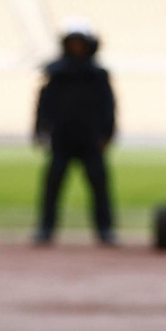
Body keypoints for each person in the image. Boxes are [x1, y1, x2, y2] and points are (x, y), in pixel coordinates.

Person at [33, 18, 117, 246]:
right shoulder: (56, 73)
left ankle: (105, 230)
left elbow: (109, 106)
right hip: (62, 139)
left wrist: (107, 133)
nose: (77, 47)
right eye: (73, 43)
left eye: (81, 43)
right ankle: (45, 229)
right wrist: (40, 129)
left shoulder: (98, 75)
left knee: (99, 186)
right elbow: (44, 103)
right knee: (52, 186)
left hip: (91, 140)